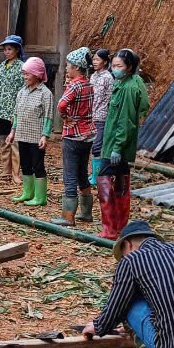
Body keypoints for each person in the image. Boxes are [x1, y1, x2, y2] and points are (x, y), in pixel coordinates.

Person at [98, 48, 149, 240]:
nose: (114, 69)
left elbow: (125, 121)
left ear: (129, 67)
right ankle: (119, 226)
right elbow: (143, 107)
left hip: (115, 145)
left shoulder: (128, 88)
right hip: (119, 144)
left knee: (105, 181)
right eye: (113, 65)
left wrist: (117, 147)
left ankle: (109, 228)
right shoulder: (132, 83)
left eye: (119, 66)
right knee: (120, 182)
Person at [55, 48, 94, 226]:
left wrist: (65, 117)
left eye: (69, 66)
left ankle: (68, 216)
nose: (67, 69)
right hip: (87, 135)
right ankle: (86, 213)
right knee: (82, 174)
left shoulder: (75, 86)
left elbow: (61, 104)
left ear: (77, 67)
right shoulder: (89, 84)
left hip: (72, 134)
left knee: (70, 175)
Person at [8, 57, 54, 208]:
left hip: (36, 137)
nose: (24, 76)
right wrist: (12, 132)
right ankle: (28, 192)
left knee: (37, 165)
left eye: (27, 74)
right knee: (26, 165)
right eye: (23, 73)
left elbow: (48, 116)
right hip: (22, 134)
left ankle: (40, 197)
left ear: (37, 74)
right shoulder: (22, 91)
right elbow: (16, 113)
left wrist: (45, 135)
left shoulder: (45, 93)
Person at [0, 35, 25, 180]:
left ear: (17, 50)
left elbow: (23, 89)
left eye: (9, 49)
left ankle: (16, 173)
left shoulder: (22, 67)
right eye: (5, 49)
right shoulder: (2, 66)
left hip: (14, 111)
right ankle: (6, 170)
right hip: (1, 110)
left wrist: (17, 110)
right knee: (4, 141)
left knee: (15, 142)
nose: (6, 52)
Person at [90, 48, 114, 187]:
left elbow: (106, 98)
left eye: (97, 59)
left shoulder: (107, 77)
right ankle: (94, 173)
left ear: (105, 62)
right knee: (93, 145)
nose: (94, 62)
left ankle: (97, 177)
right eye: (93, 59)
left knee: (97, 147)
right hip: (92, 116)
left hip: (101, 116)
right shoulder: (93, 76)